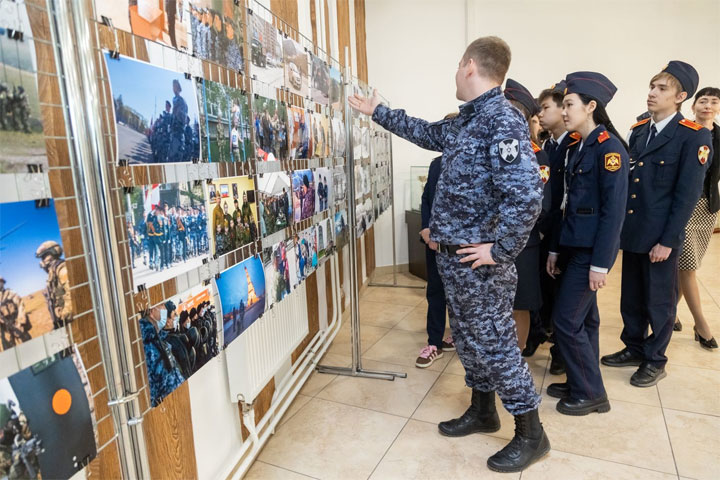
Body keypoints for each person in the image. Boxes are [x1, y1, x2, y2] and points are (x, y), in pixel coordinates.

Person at [350, 36, 549, 473]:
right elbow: (424, 131)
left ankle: (532, 434)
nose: (455, 74)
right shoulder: (466, 122)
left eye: (457, 67)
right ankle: (482, 410)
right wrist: (378, 112)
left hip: (482, 264)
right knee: (469, 340)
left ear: (469, 66)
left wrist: (501, 250)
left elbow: (527, 195)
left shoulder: (503, 120)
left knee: (496, 345)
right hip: (454, 260)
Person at [602, 61, 712, 387]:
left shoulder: (693, 136)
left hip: (661, 236)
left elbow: (686, 196)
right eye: (652, 86)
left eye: (661, 88)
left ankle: (655, 359)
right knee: (631, 297)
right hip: (635, 230)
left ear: (681, 96)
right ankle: (634, 347)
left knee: (660, 301)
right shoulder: (638, 131)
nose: (652, 93)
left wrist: (668, 240)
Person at [545, 72, 629, 414]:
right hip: (572, 246)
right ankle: (580, 380)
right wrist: (555, 248)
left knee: (565, 321)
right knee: (585, 321)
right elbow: (566, 203)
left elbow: (613, 213)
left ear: (591, 106)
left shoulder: (609, 149)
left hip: (590, 253)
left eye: (569, 105)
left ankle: (593, 394)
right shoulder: (578, 145)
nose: (564, 111)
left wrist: (601, 264)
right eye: (562, 105)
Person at [526, 81, 581, 375]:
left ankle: (561, 350)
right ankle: (537, 332)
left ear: (563, 110)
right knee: (540, 289)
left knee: (562, 294)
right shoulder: (547, 145)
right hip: (543, 229)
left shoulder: (574, 145)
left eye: (546, 107)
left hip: (562, 229)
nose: (541, 113)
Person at [504, 79, 551, 352]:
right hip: (490, 243)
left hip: (523, 244)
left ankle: (517, 354)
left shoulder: (536, 155)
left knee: (519, 303)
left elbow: (542, 206)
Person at [674, 87, 719, 349]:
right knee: (688, 267)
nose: (708, 106)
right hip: (685, 207)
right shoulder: (685, 133)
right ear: (693, 106)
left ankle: (670, 312)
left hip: (708, 208)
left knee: (686, 267)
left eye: (714, 102)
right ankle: (701, 325)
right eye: (703, 101)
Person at [416, 147, 455, 368]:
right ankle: (434, 343)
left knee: (460, 297)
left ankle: (459, 337)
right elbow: (426, 199)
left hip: (462, 246)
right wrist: (426, 228)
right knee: (435, 292)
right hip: (435, 244)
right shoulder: (436, 164)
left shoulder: (476, 162)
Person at [139, 303, 185, 406]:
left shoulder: (157, 339)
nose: (164, 309)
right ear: (152, 311)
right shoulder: (147, 344)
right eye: (161, 305)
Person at [35, 241, 73, 328]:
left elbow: (72, 294)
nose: (42, 262)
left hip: (70, 318)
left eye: (44, 256)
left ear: (54, 252)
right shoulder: (52, 274)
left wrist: (64, 316)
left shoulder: (62, 270)